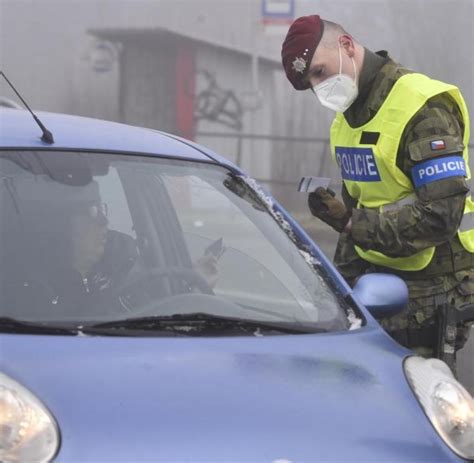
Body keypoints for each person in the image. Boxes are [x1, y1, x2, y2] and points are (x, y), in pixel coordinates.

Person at [281, 14, 474, 371]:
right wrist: (338, 297)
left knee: (419, 403)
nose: (318, 87)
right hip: (378, 288)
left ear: (347, 45)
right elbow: (360, 214)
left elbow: (441, 215)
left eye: (319, 72)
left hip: (433, 288)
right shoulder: (346, 121)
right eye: (309, 83)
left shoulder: (421, 105)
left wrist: (352, 222)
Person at [6, 176, 219, 319]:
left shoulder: (125, 262)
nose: (104, 222)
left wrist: (192, 283)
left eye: (102, 208)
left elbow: (157, 312)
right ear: (59, 223)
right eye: (91, 212)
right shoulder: (25, 290)